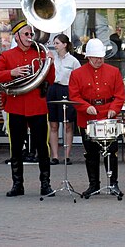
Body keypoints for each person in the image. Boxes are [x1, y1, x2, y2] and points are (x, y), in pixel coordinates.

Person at [0, 20, 56, 197]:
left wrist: (51, 63)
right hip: (16, 106)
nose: (30, 37)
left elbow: (50, 80)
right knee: (16, 147)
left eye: (31, 34)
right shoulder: (7, 56)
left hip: (37, 106)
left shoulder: (39, 54)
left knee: (42, 146)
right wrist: (12, 73)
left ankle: (45, 184)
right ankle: (18, 184)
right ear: (17, 36)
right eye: (26, 34)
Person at [69, 38, 125, 198]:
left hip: (108, 115)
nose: (99, 60)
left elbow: (119, 95)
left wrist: (114, 109)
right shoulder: (77, 74)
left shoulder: (113, 72)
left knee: (111, 152)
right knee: (91, 153)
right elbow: (74, 96)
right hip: (87, 117)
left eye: (101, 57)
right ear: (88, 57)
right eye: (95, 58)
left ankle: (113, 184)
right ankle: (94, 185)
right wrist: (86, 107)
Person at [47, 34, 81, 165]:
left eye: (57, 43)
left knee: (68, 124)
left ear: (64, 45)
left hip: (67, 90)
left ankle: (66, 156)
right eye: (54, 43)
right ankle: (55, 156)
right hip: (53, 90)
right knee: (53, 124)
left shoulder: (73, 61)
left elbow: (78, 79)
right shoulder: (52, 59)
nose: (55, 46)